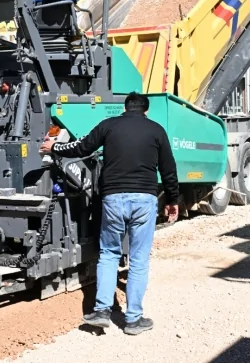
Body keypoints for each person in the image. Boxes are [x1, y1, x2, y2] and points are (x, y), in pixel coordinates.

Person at [40, 92, 180, 335]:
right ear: (145, 111)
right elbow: (169, 169)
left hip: (113, 198)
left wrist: (55, 147)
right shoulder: (156, 130)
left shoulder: (109, 125)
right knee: (138, 259)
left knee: (108, 254)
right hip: (144, 199)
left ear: (125, 109)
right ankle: (133, 320)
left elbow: (81, 147)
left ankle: (103, 311)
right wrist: (173, 200)